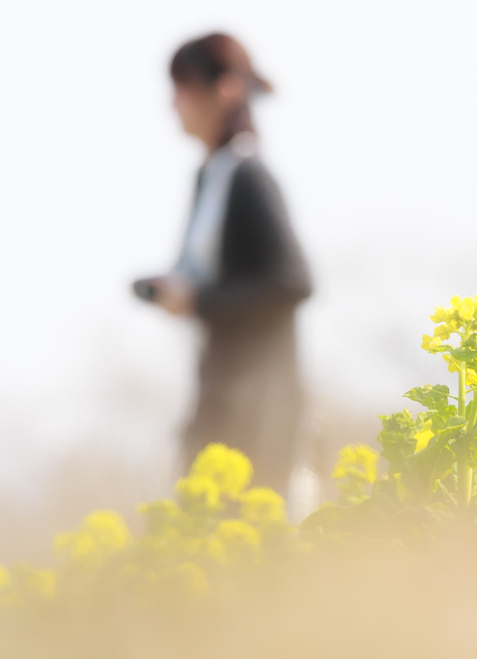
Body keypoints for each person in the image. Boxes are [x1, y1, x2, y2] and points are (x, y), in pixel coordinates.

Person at [136, 33, 312, 494]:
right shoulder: (212, 175)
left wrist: (199, 301)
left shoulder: (248, 176)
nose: (174, 103)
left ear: (226, 90)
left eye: (184, 87)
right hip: (220, 394)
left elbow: (292, 281)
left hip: (258, 403)